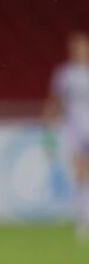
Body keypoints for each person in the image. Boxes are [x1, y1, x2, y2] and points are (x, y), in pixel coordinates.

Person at [44, 31, 89, 240]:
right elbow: (57, 101)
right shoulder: (65, 74)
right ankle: (82, 221)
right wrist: (49, 121)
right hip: (74, 129)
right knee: (80, 174)